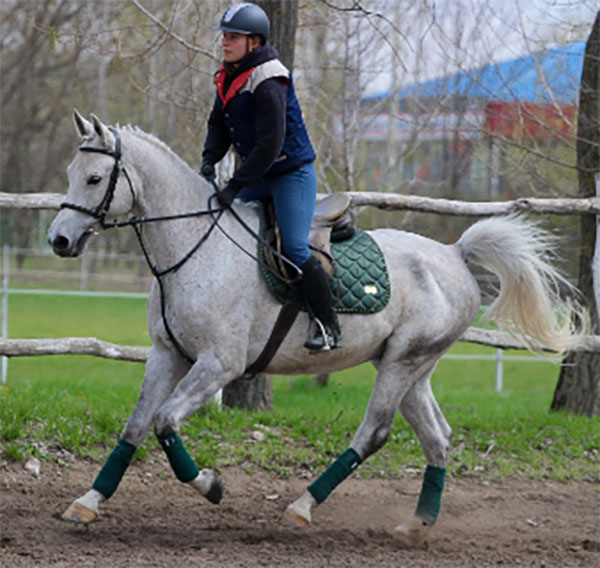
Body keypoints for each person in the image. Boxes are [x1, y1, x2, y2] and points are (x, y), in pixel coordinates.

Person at [200, 2, 341, 352]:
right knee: (223, 226)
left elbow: (270, 143)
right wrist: (207, 161)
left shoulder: (269, 76)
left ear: (254, 42)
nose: (225, 42)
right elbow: (218, 124)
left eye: (233, 37)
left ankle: (329, 326)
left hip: (290, 173)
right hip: (259, 172)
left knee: (293, 247)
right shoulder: (228, 74)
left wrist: (235, 184)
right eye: (225, 36)